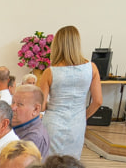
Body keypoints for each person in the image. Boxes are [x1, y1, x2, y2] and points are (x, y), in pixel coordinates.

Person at [39, 25, 103, 159]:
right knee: (71, 164)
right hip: (77, 123)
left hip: (53, 123)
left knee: (49, 164)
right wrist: (82, 116)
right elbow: (98, 101)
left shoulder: (50, 72)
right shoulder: (92, 68)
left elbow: (42, 105)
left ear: (57, 45)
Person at [11, 84, 50, 158]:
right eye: (13, 102)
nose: (13, 108)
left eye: (19, 104)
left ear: (36, 109)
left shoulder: (33, 137)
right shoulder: (20, 126)